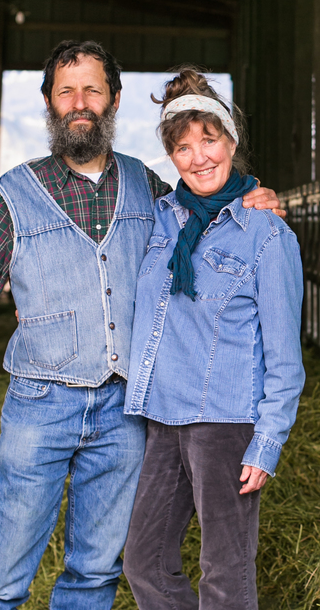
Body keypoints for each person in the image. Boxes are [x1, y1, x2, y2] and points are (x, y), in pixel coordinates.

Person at [0, 42, 281, 610]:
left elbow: (210, 217)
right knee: (2, 575)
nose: (79, 102)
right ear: (48, 102)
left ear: (113, 99)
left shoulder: (149, 189)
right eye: (66, 91)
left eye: (92, 89)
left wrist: (257, 198)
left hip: (127, 414)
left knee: (93, 575)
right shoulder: (15, 193)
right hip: (41, 405)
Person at [122, 69, 305, 610]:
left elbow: (285, 358)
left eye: (209, 140)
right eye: (183, 146)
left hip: (225, 424)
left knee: (224, 573)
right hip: (162, 419)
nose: (199, 157)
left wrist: (268, 442)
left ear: (231, 141)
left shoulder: (267, 234)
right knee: (143, 561)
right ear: (170, 156)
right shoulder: (162, 218)